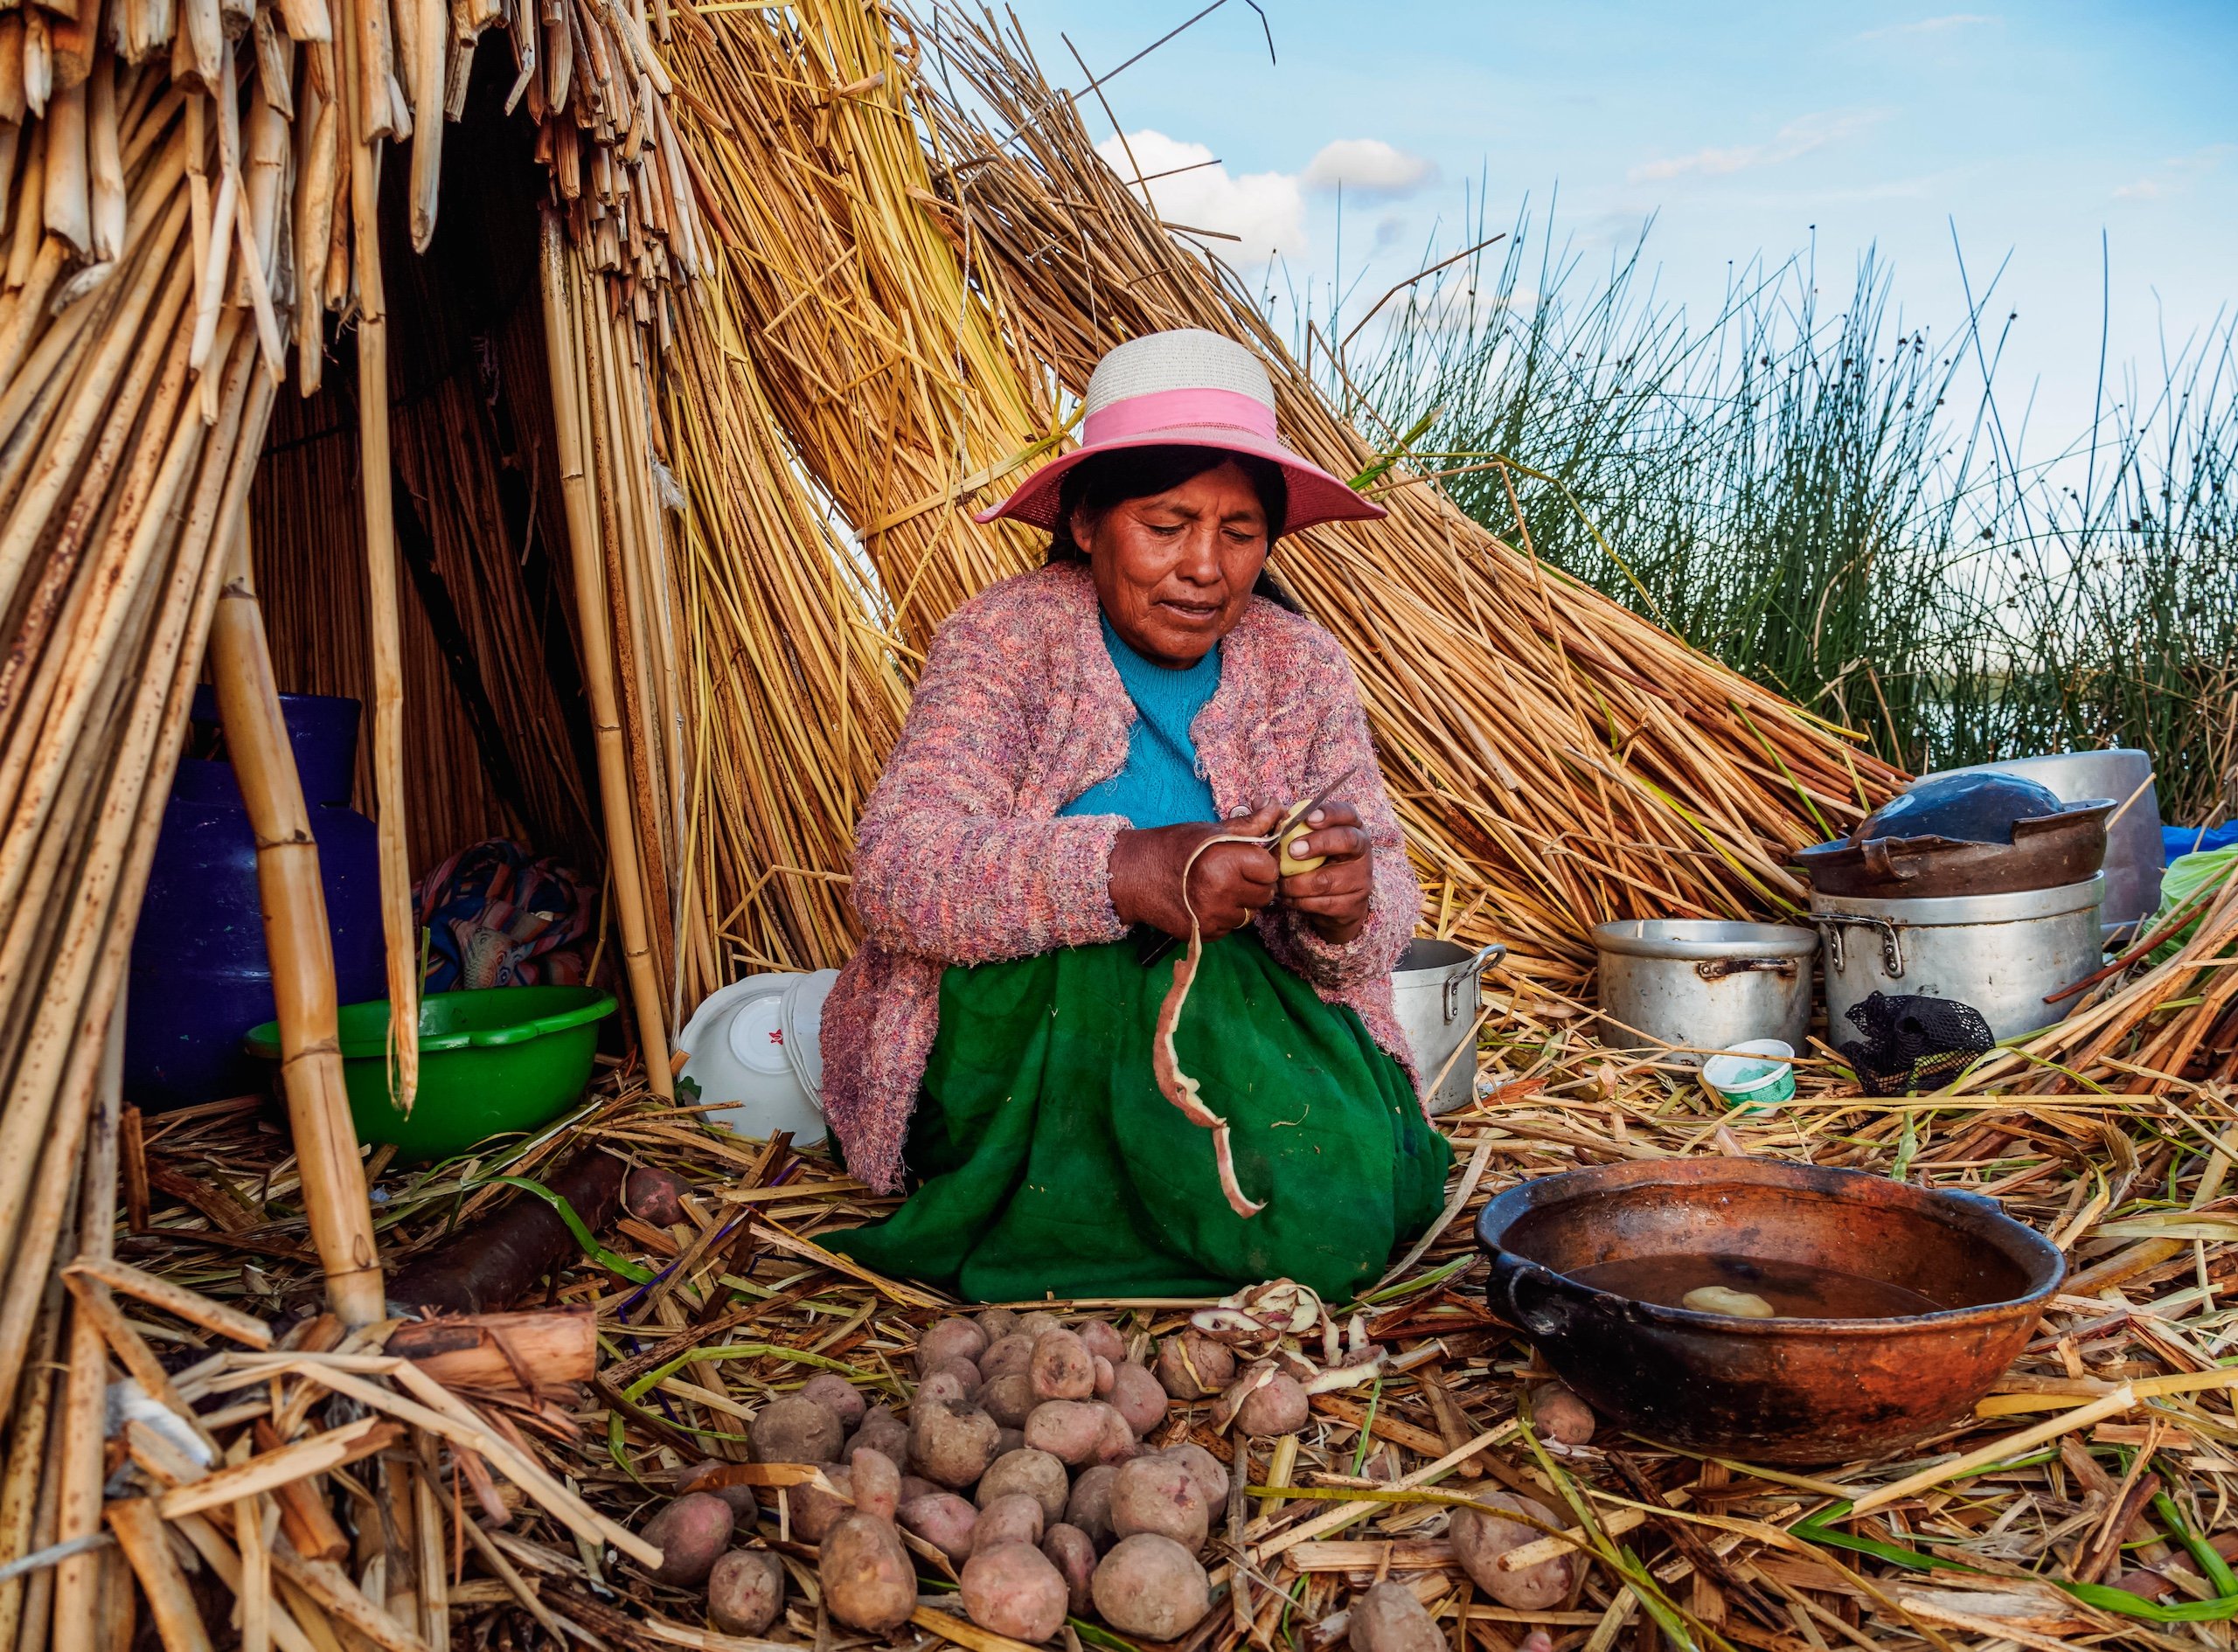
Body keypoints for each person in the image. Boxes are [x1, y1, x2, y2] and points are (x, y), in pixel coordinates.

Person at [819, 329, 1449, 1302]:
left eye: (1239, 534)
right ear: (1084, 522)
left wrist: (1347, 903)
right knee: (1109, 986)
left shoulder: (1303, 667)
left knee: (1346, 1209)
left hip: (1247, 1036)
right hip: (1026, 1044)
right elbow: (899, 873)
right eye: (1166, 523)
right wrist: (1126, 873)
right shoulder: (1005, 640)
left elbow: (1381, 908)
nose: (1205, 567)